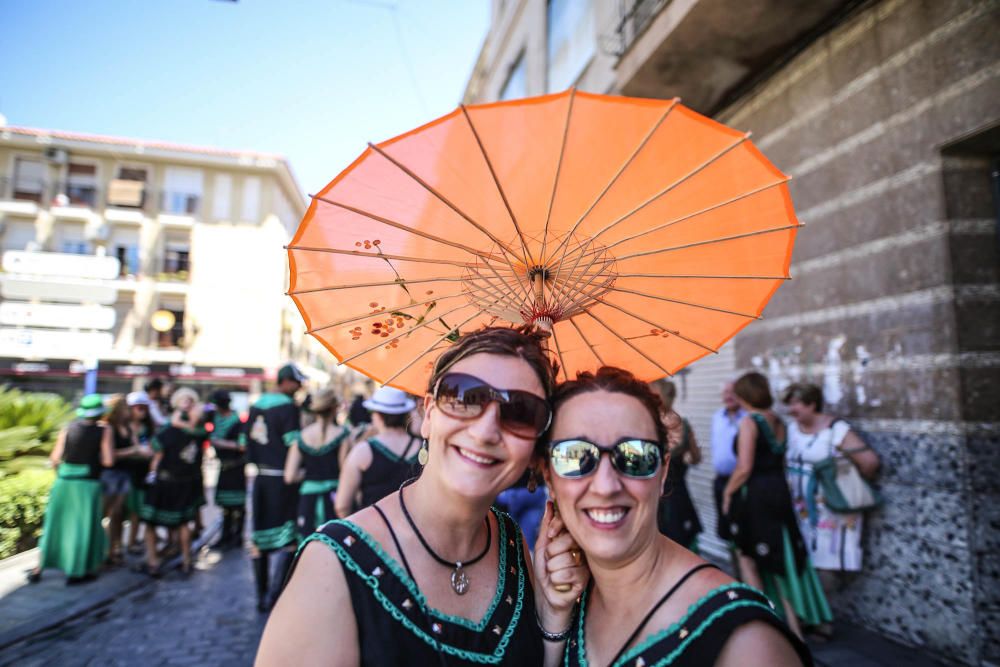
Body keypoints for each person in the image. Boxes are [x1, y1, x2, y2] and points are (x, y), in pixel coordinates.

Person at [257, 326, 586, 666]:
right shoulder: (330, 567)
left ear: (535, 450)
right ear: (428, 415)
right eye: (465, 397)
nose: (486, 431)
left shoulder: (512, 543)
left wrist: (553, 616)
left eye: (519, 412)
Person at [543, 367, 811, 666]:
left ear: (663, 471)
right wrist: (555, 619)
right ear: (548, 477)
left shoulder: (747, 646)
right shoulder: (559, 599)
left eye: (636, 456)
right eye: (575, 455)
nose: (606, 486)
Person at [722, 372, 831, 638]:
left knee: (748, 556)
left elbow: (744, 467)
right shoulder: (778, 420)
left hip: (756, 495)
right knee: (780, 558)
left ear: (743, 394)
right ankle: (794, 627)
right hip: (778, 491)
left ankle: (762, 624)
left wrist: (727, 493)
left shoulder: (749, 421)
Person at [783, 383, 879, 636]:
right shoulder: (793, 429)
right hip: (801, 508)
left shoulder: (837, 430)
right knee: (805, 558)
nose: (791, 409)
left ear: (812, 404)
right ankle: (809, 615)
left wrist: (842, 484)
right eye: (790, 403)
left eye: (796, 404)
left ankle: (823, 620)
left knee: (827, 561)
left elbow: (869, 462)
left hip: (832, 509)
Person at [28, 394, 114, 585]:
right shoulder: (104, 430)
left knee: (54, 526)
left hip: (64, 482)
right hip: (87, 484)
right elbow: (108, 460)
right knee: (82, 527)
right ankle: (76, 571)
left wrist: (64, 474)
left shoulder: (68, 427)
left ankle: (39, 568)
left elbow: (55, 459)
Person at [244, 362, 305, 612]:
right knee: (288, 536)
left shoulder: (256, 405)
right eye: (297, 382)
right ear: (286, 382)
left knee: (259, 536)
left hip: (261, 479)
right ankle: (273, 595)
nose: (300, 387)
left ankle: (261, 596)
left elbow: (246, 441)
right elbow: (293, 443)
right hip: (283, 478)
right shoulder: (288, 408)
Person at [139, 387, 203, 576]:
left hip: (165, 482)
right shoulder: (198, 433)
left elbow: (153, 450)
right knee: (183, 524)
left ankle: (153, 562)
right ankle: (186, 561)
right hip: (185, 482)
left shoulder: (169, 431)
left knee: (151, 524)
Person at [334, 386, 420, 518]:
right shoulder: (424, 448)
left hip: (373, 529)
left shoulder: (362, 451)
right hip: (415, 528)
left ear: (378, 415)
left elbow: (342, 506)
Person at [284, 388, 350, 540]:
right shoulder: (343, 435)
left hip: (308, 499)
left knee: (308, 544)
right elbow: (344, 471)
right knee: (335, 543)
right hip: (334, 498)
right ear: (334, 408)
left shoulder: (300, 437)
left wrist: (310, 474)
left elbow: (289, 476)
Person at [652, 380, 703, 550]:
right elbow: (696, 457)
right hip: (681, 494)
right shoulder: (684, 425)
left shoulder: (652, 427)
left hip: (660, 498)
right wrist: (684, 458)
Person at [100, 394, 142, 566]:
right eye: (125, 407)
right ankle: (106, 549)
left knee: (118, 514)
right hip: (110, 474)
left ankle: (115, 547)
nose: (128, 410)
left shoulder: (127, 427)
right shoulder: (107, 427)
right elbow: (107, 456)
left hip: (125, 474)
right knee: (107, 513)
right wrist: (131, 451)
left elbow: (136, 446)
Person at [208, 389, 247, 549]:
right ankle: (225, 535)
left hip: (235, 468)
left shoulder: (237, 422)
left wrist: (220, 443)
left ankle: (236, 536)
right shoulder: (215, 418)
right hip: (223, 468)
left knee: (237, 505)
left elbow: (243, 445)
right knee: (225, 506)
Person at [710, 381, 744, 546]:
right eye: (725, 393)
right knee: (725, 532)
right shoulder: (717, 417)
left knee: (743, 533)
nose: (729, 397)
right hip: (721, 481)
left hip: (741, 482)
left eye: (733, 392)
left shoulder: (748, 418)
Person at [124, 391, 155, 555]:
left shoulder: (148, 427)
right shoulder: (122, 427)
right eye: (138, 408)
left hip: (141, 473)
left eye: (144, 408)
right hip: (125, 472)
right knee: (119, 512)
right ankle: (113, 547)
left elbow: (151, 448)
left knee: (137, 510)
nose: (141, 411)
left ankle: (132, 541)